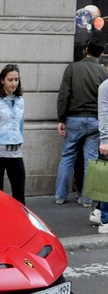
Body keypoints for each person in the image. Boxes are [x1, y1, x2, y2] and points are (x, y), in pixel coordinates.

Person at [54, 39, 108, 206]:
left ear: (85, 50)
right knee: (90, 161)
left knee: (67, 157)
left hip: (74, 118)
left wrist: (61, 119)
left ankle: (60, 196)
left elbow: (64, 95)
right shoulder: (103, 72)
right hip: (94, 119)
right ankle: (86, 199)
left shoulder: (72, 68)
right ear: (100, 54)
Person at [0, 64, 26, 204]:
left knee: (19, 193)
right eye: (10, 80)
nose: (14, 83)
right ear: (2, 80)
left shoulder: (21, 101)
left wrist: (19, 140)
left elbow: (20, 126)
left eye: (16, 80)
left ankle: (20, 223)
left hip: (15, 152)